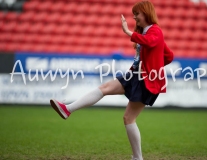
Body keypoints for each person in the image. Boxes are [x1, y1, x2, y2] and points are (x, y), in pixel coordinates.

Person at [50, 1, 174, 160]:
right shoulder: (146, 32)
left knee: (129, 118)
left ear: (146, 13)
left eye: (137, 14)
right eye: (134, 14)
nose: (135, 17)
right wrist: (153, 62)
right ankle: (67, 109)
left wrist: (129, 33)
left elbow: (151, 43)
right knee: (105, 88)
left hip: (146, 80)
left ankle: (138, 158)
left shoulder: (155, 30)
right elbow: (169, 56)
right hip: (135, 75)